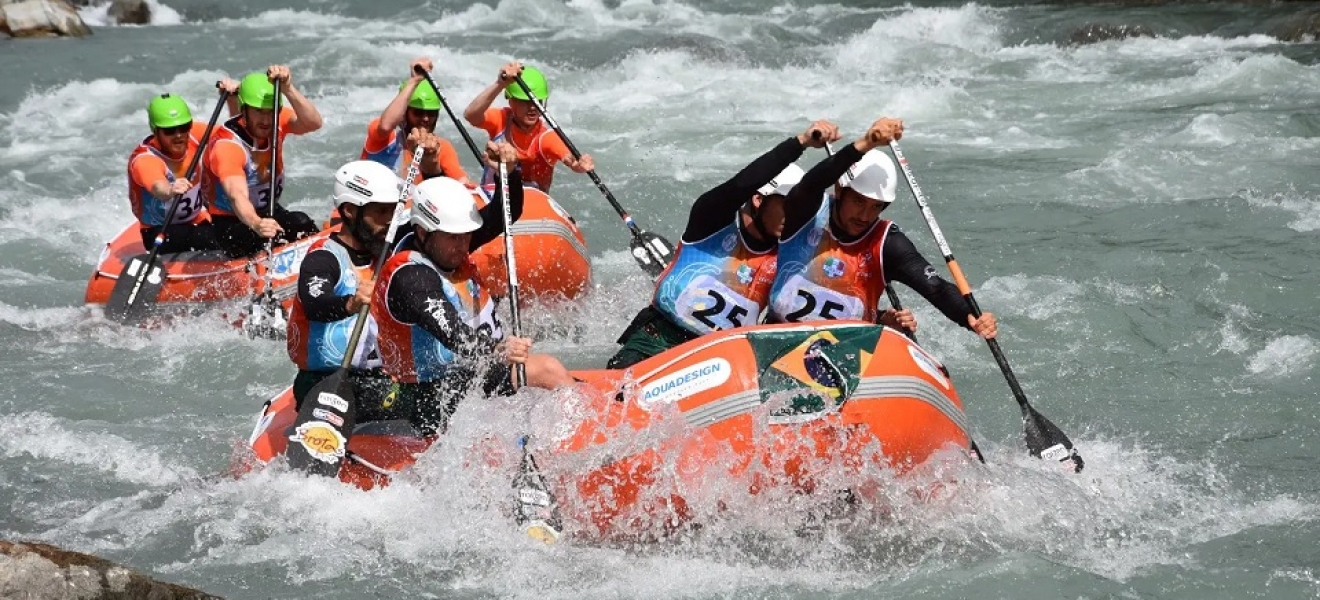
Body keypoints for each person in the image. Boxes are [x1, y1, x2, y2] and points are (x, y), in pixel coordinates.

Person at [372, 142, 573, 435]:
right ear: (423, 231)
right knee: (547, 369)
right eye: (455, 238)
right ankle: (584, 443)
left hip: (469, 375)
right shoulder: (410, 276)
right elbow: (453, 334)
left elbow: (504, 214)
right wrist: (500, 349)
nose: (464, 245)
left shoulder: (446, 244)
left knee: (545, 373)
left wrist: (510, 172)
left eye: (466, 236)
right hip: (428, 395)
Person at [606, 121, 843, 369]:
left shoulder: (790, 252)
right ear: (759, 199)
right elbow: (740, 184)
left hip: (721, 363)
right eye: (787, 206)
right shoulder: (711, 219)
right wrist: (801, 142)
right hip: (658, 342)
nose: (795, 217)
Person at [767, 117, 998, 340]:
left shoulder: (887, 242)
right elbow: (810, 184)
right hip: (778, 337)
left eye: (876, 206)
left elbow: (936, 288)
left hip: (846, 353)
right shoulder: (806, 213)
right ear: (839, 191)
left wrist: (971, 317)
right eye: (858, 202)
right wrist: (866, 143)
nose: (865, 216)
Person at [286, 160, 403, 411]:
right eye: (381, 212)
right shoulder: (323, 258)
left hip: (378, 376)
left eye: (392, 212)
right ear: (350, 210)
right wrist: (351, 303)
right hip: (324, 380)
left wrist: (510, 177)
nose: (389, 221)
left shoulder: (386, 248)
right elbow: (315, 304)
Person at [202, 65, 324, 258]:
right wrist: (256, 223)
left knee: (302, 222)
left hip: (268, 210)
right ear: (244, 110)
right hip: (232, 221)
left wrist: (288, 88)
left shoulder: (276, 119)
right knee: (262, 238)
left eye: (270, 111)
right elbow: (237, 195)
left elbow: (313, 123)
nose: (266, 120)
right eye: (259, 112)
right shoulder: (226, 145)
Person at [463, 62, 593, 192]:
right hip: (492, 198)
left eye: (537, 102)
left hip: (532, 203)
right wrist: (501, 83)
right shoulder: (501, 119)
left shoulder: (546, 137)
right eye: (525, 102)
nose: (532, 108)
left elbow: (569, 158)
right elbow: (471, 115)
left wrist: (578, 164)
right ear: (511, 101)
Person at [127, 92, 225, 253]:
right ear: (155, 131)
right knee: (221, 239)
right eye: (170, 131)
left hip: (195, 220)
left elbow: (234, 135)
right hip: (160, 231)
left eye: (184, 127)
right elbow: (159, 188)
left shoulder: (193, 136)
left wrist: (233, 98)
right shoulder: (145, 160)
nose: (179, 135)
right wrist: (171, 189)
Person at [362, 58, 469, 186]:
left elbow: (462, 183)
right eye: (418, 113)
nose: (425, 119)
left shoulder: (440, 147)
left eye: (431, 113)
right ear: (404, 113)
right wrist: (415, 80)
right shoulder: (385, 137)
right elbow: (385, 126)